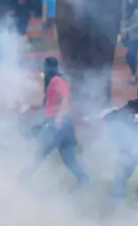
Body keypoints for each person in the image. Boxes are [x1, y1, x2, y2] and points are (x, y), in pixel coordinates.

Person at [20, 57, 90, 189]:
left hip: (57, 126)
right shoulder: (52, 82)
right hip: (63, 127)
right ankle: (84, 179)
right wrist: (30, 107)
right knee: (69, 160)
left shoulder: (57, 81)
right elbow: (47, 105)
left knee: (39, 154)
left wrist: (59, 118)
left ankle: (23, 179)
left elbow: (65, 99)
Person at [120, 0, 138, 85]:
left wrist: (127, 30)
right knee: (129, 57)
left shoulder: (137, 12)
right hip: (133, 39)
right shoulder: (131, 14)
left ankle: (134, 77)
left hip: (137, 39)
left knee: (130, 56)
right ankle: (134, 76)